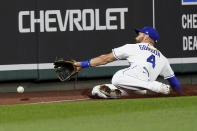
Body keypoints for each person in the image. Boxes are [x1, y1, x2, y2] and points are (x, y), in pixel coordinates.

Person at [74, 26, 183, 98]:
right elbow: (174, 82)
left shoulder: (134, 47)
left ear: (147, 36)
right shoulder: (163, 58)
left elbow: (105, 59)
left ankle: (156, 86)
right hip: (138, 87)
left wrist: (82, 64)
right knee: (96, 90)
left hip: (136, 78)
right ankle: (137, 89)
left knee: (117, 77)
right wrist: (180, 94)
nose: (137, 34)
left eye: (140, 33)